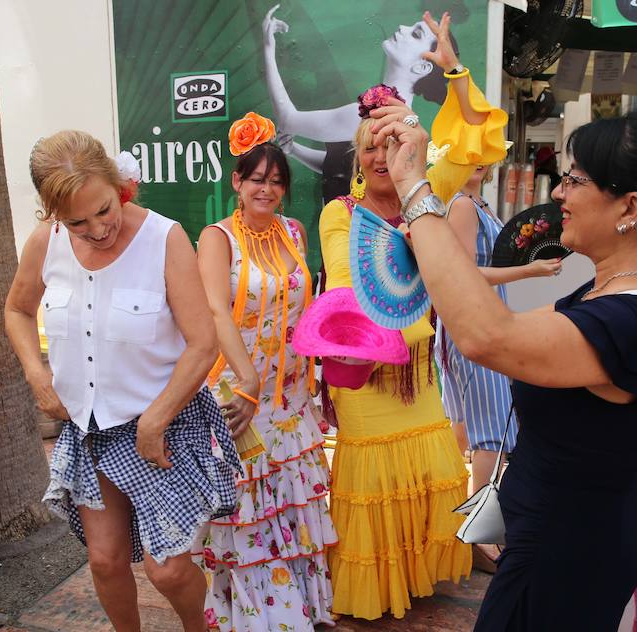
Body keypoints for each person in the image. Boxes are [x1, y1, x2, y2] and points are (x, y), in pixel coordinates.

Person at [371, 36, 637, 629]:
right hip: (554, 535)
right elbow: (495, 324)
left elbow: (488, 337)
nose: (558, 193)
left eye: (576, 179)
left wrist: (415, 188)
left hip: (568, 554)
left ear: (629, 206)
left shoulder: (633, 319)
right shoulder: (610, 295)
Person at [5, 131, 241, 632]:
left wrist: (156, 418)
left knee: (169, 568)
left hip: (163, 428)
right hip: (90, 431)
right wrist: (35, 372)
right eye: (77, 222)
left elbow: (202, 343)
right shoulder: (46, 242)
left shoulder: (164, 237)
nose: (96, 229)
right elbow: (17, 309)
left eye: (104, 210)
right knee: (105, 561)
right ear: (53, 214)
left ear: (120, 184)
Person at [317, 11, 507, 620]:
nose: (381, 156)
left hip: (422, 377)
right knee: (373, 486)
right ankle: (376, 593)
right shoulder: (340, 215)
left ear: (411, 148)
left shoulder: (430, 195)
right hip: (370, 378)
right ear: (357, 155)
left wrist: (454, 70)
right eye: (370, 146)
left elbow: (481, 141)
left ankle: (418, 580)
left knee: (431, 471)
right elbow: (351, 293)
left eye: (393, 143)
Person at [195, 112, 337, 631]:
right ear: (237, 181)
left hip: (292, 394)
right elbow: (213, 310)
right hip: (239, 392)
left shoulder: (294, 232)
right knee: (249, 508)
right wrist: (249, 382)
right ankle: (256, 615)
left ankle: (299, 605)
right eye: (257, 179)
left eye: (277, 181)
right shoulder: (217, 238)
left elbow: (308, 307)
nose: (268, 189)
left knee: (290, 504)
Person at [435, 163, 561, 572]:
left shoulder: (474, 202)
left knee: (465, 429)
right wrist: (529, 270)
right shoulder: (464, 206)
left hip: (474, 322)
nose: (481, 160)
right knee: (489, 433)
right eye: (471, 151)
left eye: (485, 150)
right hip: (476, 324)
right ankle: (478, 534)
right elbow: (463, 272)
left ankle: (453, 524)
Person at [262, 3, 454, 202]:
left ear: (422, 67)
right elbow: (342, 169)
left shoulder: (373, 114)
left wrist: (268, 48)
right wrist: (294, 149)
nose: (402, 28)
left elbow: (287, 119)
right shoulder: (398, 114)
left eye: (416, 34)